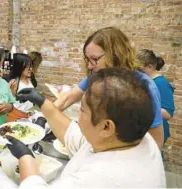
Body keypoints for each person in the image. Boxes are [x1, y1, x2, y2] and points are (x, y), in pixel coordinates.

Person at [9, 68, 165, 188]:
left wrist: (26, 158)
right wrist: (44, 103)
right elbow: (77, 138)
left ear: (106, 127)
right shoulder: (135, 138)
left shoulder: (99, 179)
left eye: (82, 109)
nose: (78, 112)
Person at [53, 27, 164, 148]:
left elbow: (156, 140)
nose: (90, 66)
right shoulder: (98, 75)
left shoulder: (144, 86)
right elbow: (68, 98)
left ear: (116, 54)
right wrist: (46, 116)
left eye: (95, 59)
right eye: (87, 59)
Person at [138, 49, 175, 144]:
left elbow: (167, 114)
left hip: (157, 130)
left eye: (140, 70)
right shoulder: (144, 81)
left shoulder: (162, 83)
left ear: (150, 67)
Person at [7, 53, 35, 122]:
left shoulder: (29, 80)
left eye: (31, 66)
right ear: (19, 67)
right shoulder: (14, 83)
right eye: (26, 67)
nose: (30, 69)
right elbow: (8, 102)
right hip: (16, 117)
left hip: (28, 115)